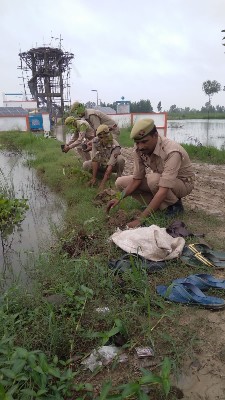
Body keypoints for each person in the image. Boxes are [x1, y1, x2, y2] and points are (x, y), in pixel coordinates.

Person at [107, 118, 195, 228]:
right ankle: (157, 206)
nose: (140, 146)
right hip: (160, 179)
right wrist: (119, 198)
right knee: (120, 182)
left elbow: (163, 188)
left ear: (155, 135)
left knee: (154, 180)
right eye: (137, 142)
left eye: (144, 141)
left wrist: (141, 219)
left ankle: (175, 206)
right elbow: (137, 179)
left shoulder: (171, 151)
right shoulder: (139, 150)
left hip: (183, 183)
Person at [83, 124, 125, 191]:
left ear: (108, 135)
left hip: (112, 165)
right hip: (102, 163)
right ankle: (99, 176)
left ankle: (118, 178)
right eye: (100, 137)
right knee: (86, 164)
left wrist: (103, 184)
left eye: (104, 136)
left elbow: (110, 165)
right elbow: (94, 159)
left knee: (120, 159)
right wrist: (93, 178)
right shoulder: (95, 141)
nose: (102, 139)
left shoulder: (115, 146)